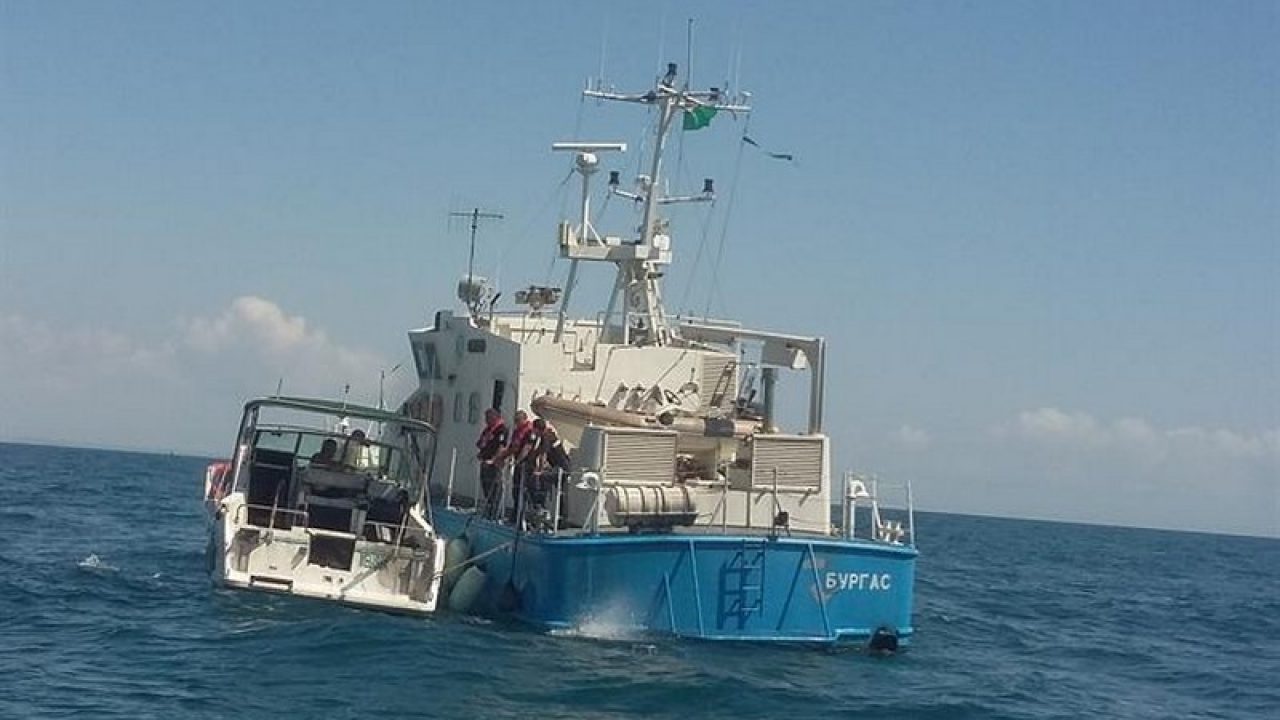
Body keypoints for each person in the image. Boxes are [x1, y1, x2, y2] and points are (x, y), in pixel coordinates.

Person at [476, 408, 508, 517]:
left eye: (488, 418)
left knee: (495, 487)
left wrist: (493, 460)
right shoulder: (488, 430)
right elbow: (480, 443)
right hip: (485, 461)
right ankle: (488, 507)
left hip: (494, 463)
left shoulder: (502, 430)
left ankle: (495, 512)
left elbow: (501, 446)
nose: (486, 420)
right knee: (485, 485)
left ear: (494, 418)